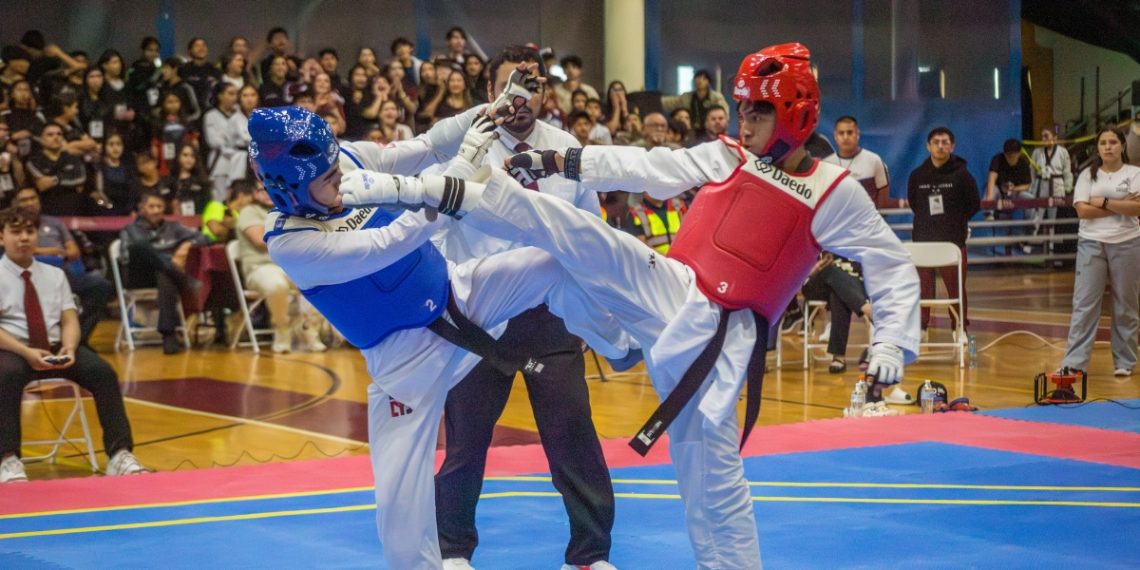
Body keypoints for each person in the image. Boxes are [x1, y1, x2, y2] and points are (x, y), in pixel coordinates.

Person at [343, 43, 921, 569]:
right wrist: (557, 165)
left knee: (711, 481)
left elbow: (890, 265)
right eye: (740, 109)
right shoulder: (729, 156)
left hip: (720, 338)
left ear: (795, 114)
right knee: (577, 238)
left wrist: (892, 340)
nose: (744, 122)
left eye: (757, 112)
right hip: (670, 287)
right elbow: (647, 167)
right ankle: (461, 201)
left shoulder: (834, 192)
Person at [249, 92, 633, 566]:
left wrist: (483, 115)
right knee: (402, 525)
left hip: (459, 294)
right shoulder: (291, 242)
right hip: (406, 363)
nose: (342, 182)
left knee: (549, 263)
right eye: (328, 181)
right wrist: (455, 179)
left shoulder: (349, 157)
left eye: (337, 169)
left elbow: (429, 145)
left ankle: (619, 343)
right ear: (289, 187)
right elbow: (392, 242)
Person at [429, 47, 616, 570]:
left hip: (549, 315)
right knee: (465, 445)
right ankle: (453, 553)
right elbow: (435, 232)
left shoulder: (565, 149)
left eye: (532, 87)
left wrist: (587, 309)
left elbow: (591, 235)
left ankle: (589, 555)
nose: (523, 98)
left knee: (574, 438)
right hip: (478, 318)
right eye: (513, 86)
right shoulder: (464, 150)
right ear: (491, 93)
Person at [0, 207, 147, 483]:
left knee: (103, 373)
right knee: (5, 377)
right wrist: (26, 352)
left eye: (29, 231)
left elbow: (69, 319)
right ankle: (7, 459)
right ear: (1, 236)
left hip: (56, 346)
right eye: (16, 232)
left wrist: (69, 347)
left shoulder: (54, 275)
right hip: (13, 348)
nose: (24, 238)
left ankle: (119, 454)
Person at [1058, 128, 1140, 378]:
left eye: (1113, 142)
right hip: (1091, 243)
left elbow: (1137, 209)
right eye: (1103, 142)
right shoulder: (1086, 175)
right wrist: (1121, 205)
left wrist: (1102, 202)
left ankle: (1125, 361)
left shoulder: (1135, 173)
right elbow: (1082, 211)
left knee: (1126, 303)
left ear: (1122, 146)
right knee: (1084, 303)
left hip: (1127, 242)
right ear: (1097, 148)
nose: (1108, 147)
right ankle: (1075, 362)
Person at [12, 186, 114, 345]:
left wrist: (58, 253)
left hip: (63, 275)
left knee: (101, 286)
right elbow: (16, 251)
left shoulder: (54, 223)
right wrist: (48, 252)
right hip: (27, 279)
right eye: (25, 200)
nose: (30, 202)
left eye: (33, 198)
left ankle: (77, 339)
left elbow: (73, 251)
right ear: (15, 204)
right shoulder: (11, 227)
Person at [235, 180, 325, 354]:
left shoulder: (286, 211)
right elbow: (261, 240)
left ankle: (308, 329)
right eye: (262, 190)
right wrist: (294, 237)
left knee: (319, 280)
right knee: (276, 284)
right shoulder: (249, 211)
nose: (267, 194)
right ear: (255, 194)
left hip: (289, 266)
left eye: (271, 190)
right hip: (260, 268)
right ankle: (282, 329)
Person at [907, 126, 979, 338]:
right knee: (923, 288)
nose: (940, 146)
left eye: (945, 142)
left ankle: (959, 327)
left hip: (953, 242)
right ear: (928, 146)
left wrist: (955, 222)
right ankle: (921, 326)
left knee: (956, 288)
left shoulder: (963, 175)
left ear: (952, 146)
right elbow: (914, 203)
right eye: (936, 142)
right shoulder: (917, 176)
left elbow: (973, 204)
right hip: (923, 242)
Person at [118, 191, 207, 354]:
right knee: (140, 246)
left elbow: (204, 238)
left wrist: (187, 245)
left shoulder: (173, 227)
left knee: (164, 276)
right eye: (152, 206)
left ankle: (168, 334)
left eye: (159, 206)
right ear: (142, 208)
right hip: (139, 276)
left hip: (163, 277)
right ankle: (183, 279)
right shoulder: (129, 230)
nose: (156, 210)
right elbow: (124, 259)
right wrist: (158, 257)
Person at [823, 115, 890, 207]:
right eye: (841, 133)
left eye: (850, 132)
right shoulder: (826, 165)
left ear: (857, 134)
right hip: (837, 221)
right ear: (835, 136)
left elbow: (883, 205)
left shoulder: (874, 160)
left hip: (868, 221)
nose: (845, 137)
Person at [1029, 126, 1074, 256]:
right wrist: (1034, 185)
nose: (1043, 139)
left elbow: (1067, 171)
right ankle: (1030, 245)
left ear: (1055, 138)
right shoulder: (1037, 152)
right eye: (1042, 136)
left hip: (1057, 185)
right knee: (1037, 215)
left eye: (1046, 136)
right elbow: (1031, 170)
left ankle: (1053, 246)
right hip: (1041, 184)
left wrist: (1067, 187)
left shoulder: (1063, 152)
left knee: (1054, 217)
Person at [983, 138, 1032, 255]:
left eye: (1013, 155)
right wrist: (989, 199)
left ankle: (1030, 230)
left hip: (1015, 193)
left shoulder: (1023, 163)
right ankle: (988, 214)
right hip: (1000, 192)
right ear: (1004, 154)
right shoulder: (997, 159)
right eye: (1008, 155)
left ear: (1019, 154)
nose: (1010, 158)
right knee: (990, 189)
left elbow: (1027, 185)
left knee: (1030, 198)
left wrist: (1013, 189)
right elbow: (991, 179)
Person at [661, 69, 728, 138]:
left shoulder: (716, 97)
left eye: (703, 78)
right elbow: (672, 102)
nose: (700, 81)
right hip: (691, 131)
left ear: (708, 81)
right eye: (697, 78)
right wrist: (655, 100)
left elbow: (724, 114)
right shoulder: (687, 97)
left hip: (710, 132)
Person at [201, 179, 254, 243]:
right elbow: (216, 230)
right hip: (212, 246)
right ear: (241, 196)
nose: (252, 204)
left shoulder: (240, 214)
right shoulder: (216, 206)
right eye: (250, 201)